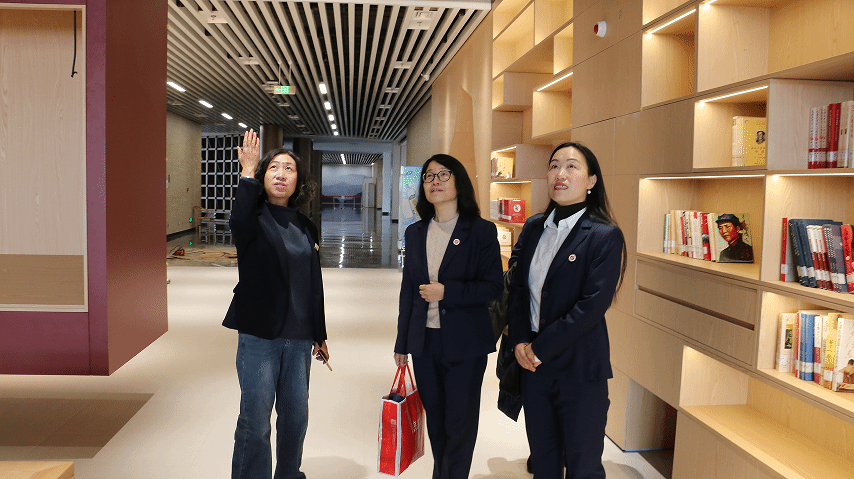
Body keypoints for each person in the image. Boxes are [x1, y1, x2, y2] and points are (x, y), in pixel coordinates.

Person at [508, 142, 626, 479]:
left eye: (572, 166)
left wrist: (537, 349)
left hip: (579, 367)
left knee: (582, 465)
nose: (560, 173)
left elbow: (591, 306)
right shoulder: (534, 227)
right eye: (554, 165)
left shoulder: (604, 235)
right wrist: (520, 341)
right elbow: (517, 289)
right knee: (544, 462)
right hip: (533, 366)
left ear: (591, 180)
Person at [223, 129, 329, 479]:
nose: (281, 174)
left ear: (298, 181)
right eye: (273, 168)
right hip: (260, 336)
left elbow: (313, 283)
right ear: (263, 176)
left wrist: (319, 333)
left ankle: (288, 474)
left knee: (296, 418)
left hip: (298, 339)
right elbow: (238, 218)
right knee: (255, 422)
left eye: (289, 168)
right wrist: (247, 170)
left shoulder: (306, 226)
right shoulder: (251, 220)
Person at [394, 154, 503, 479]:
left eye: (443, 175)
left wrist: (448, 292)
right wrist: (402, 342)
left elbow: (493, 286)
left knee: (460, 424)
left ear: (459, 183)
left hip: (465, 344)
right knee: (437, 423)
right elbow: (408, 290)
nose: (435, 181)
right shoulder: (415, 233)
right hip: (424, 343)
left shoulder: (481, 231)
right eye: (429, 176)